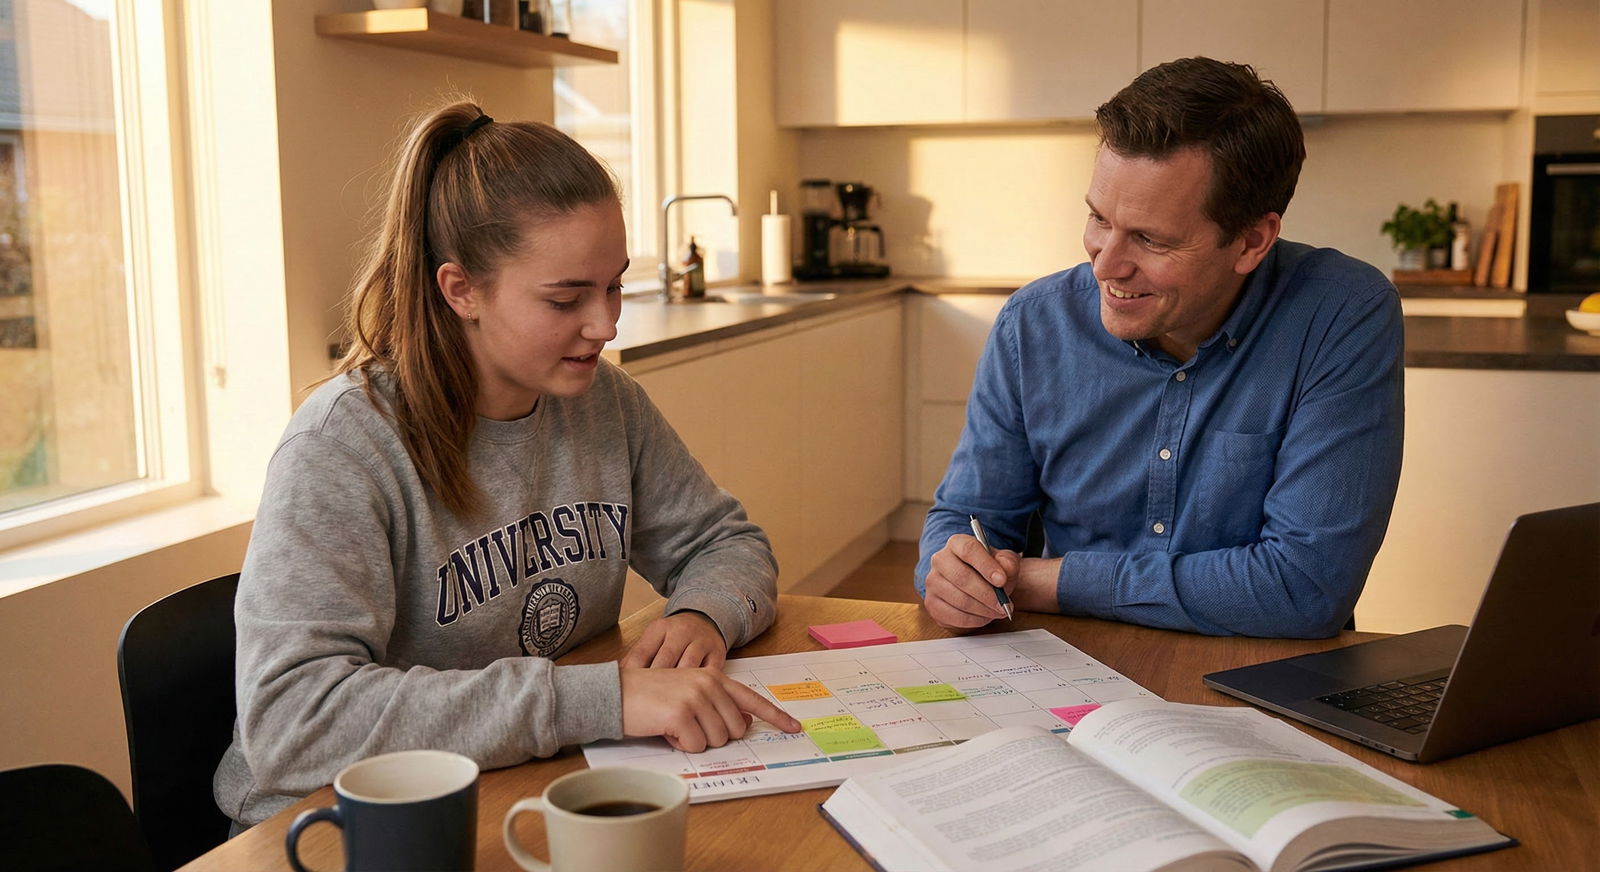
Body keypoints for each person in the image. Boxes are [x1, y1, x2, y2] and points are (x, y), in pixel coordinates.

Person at [214, 100, 800, 830]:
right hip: (332, 825)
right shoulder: (341, 447)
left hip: (521, 778)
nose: (606, 324)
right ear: (460, 290)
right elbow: (293, 723)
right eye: (566, 298)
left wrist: (700, 612)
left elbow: (728, 544)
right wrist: (601, 700)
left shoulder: (604, 404)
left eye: (614, 284)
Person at [917, 57, 1404, 639]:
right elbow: (967, 519)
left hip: (1258, 675)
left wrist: (1042, 581)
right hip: (1071, 670)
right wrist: (949, 574)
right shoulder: (1034, 324)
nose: (1108, 263)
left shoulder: (1340, 313)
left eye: (1150, 239)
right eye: (1098, 218)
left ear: (1251, 241)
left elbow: (1304, 587)